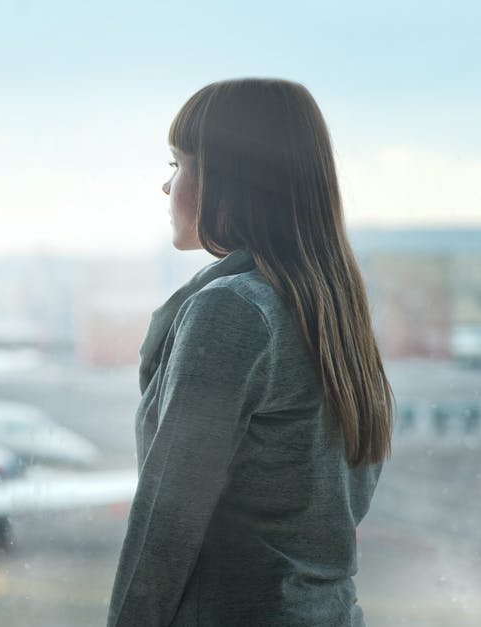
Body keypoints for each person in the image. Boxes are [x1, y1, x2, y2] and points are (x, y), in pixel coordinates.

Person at [107, 78, 394, 626]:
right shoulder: (330, 310)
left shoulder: (232, 311)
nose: (167, 188)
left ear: (227, 177)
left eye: (178, 163)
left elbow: (166, 524)